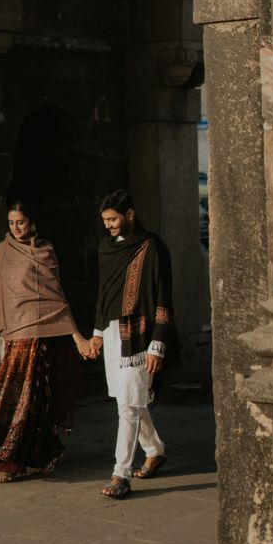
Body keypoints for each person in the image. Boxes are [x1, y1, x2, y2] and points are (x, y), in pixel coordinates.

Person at [0, 199, 94, 483]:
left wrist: (76, 336)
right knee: (16, 396)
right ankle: (27, 456)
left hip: (44, 337)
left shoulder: (45, 251)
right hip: (15, 335)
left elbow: (55, 297)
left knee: (35, 399)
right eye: (11, 223)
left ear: (32, 222)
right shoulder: (1, 252)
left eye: (21, 222)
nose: (16, 227)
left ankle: (25, 458)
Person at [90, 189, 177, 499]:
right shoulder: (106, 249)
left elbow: (164, 296)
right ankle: (154, 449)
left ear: (130, 215)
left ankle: (121, 473)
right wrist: (98, 332)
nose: (109, 225)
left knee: (128, 404)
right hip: (113, 334)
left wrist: (158, 345)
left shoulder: (152, 248)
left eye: (113, 219)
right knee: (127, 398)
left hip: (141, 335)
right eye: (105, 221)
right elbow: (104, 293)